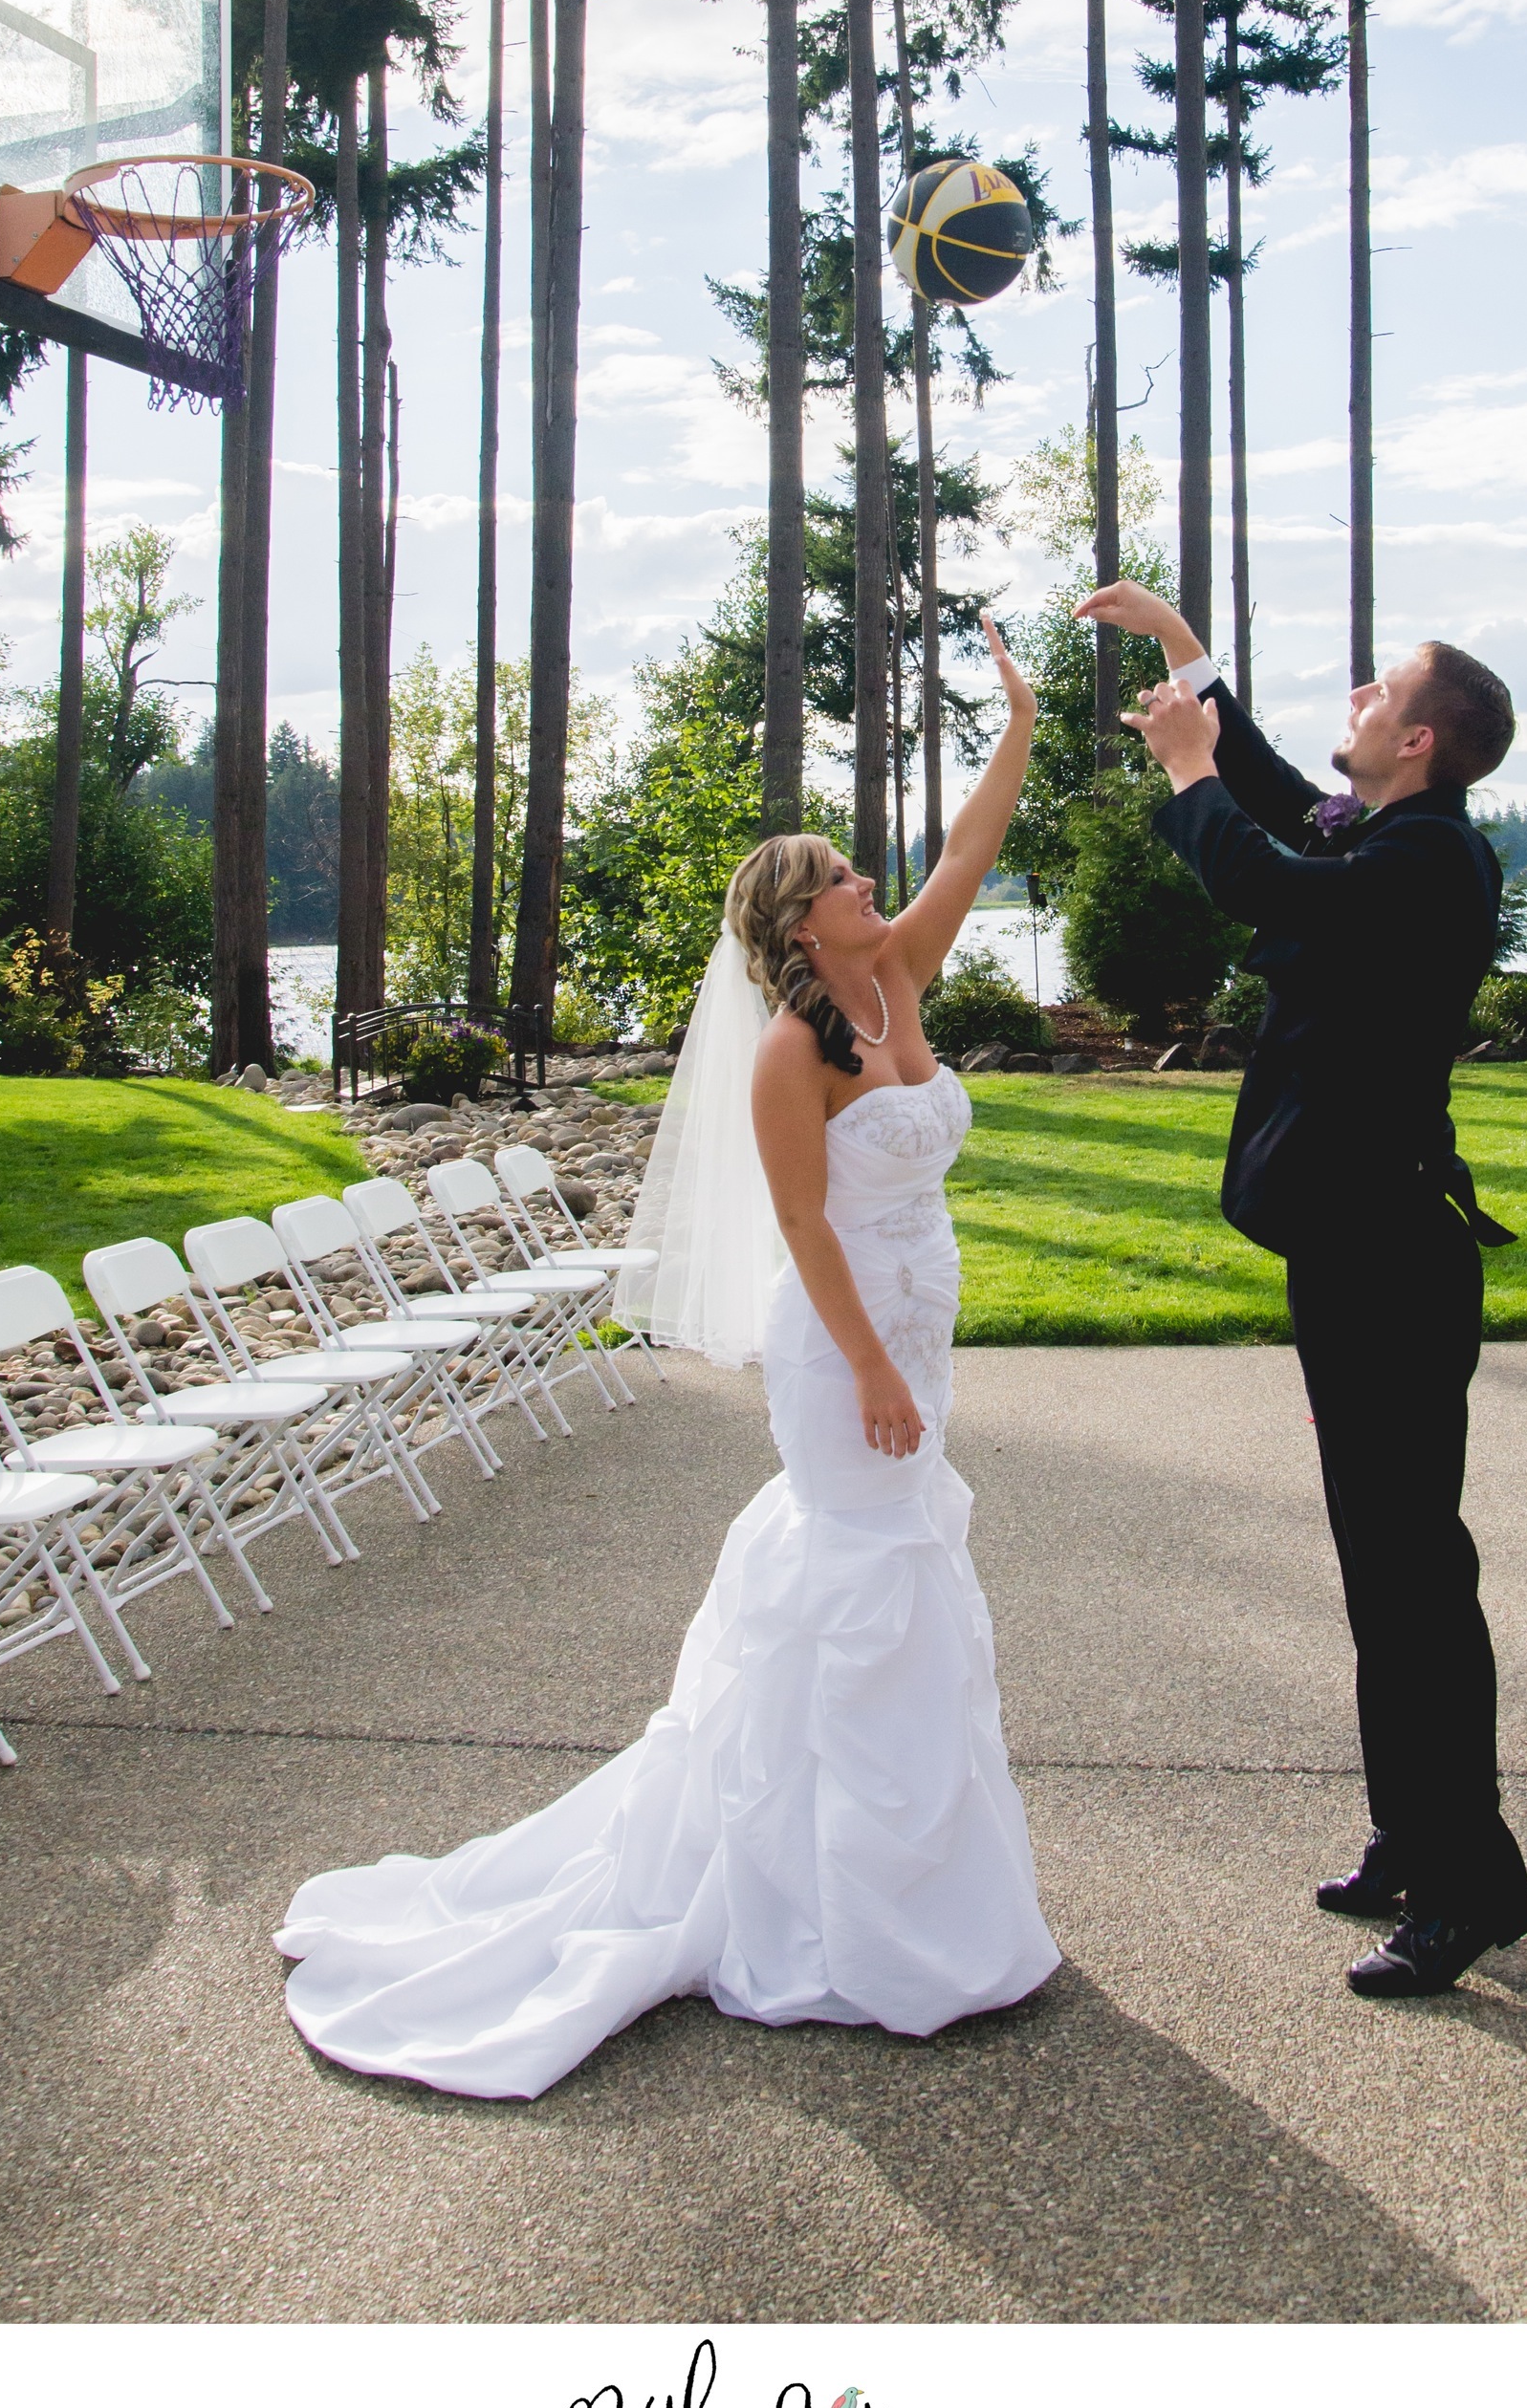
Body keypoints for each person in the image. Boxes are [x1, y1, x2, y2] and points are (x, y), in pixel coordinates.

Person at [274, 612, 1059, 2096]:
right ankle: (829, 1914)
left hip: (921, 1316)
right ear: (792, 924)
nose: (863, 878)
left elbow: (971, 846)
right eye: (834, 875)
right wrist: (877, 1375)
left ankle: (917, 1900)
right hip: (843, 1353)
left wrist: (1013, 719)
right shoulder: (787, 1052)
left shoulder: (900, 977)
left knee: (899, 1574)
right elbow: (805, 1232)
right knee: (865, 1574)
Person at [1079, 580, 1527, 2000]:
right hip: (1360, 1252)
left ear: (1417, 746)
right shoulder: (1396, 835)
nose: (1355, 701)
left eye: (1376, 696)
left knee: (1411, 1577)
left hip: (1394, 1263)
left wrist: (1182, 773)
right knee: (1379, 1567)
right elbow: (1285, 805)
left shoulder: (1428, 866)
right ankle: (1414, 1832)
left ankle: (1472, 1887)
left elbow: (1265, 873)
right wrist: (1184, 657)